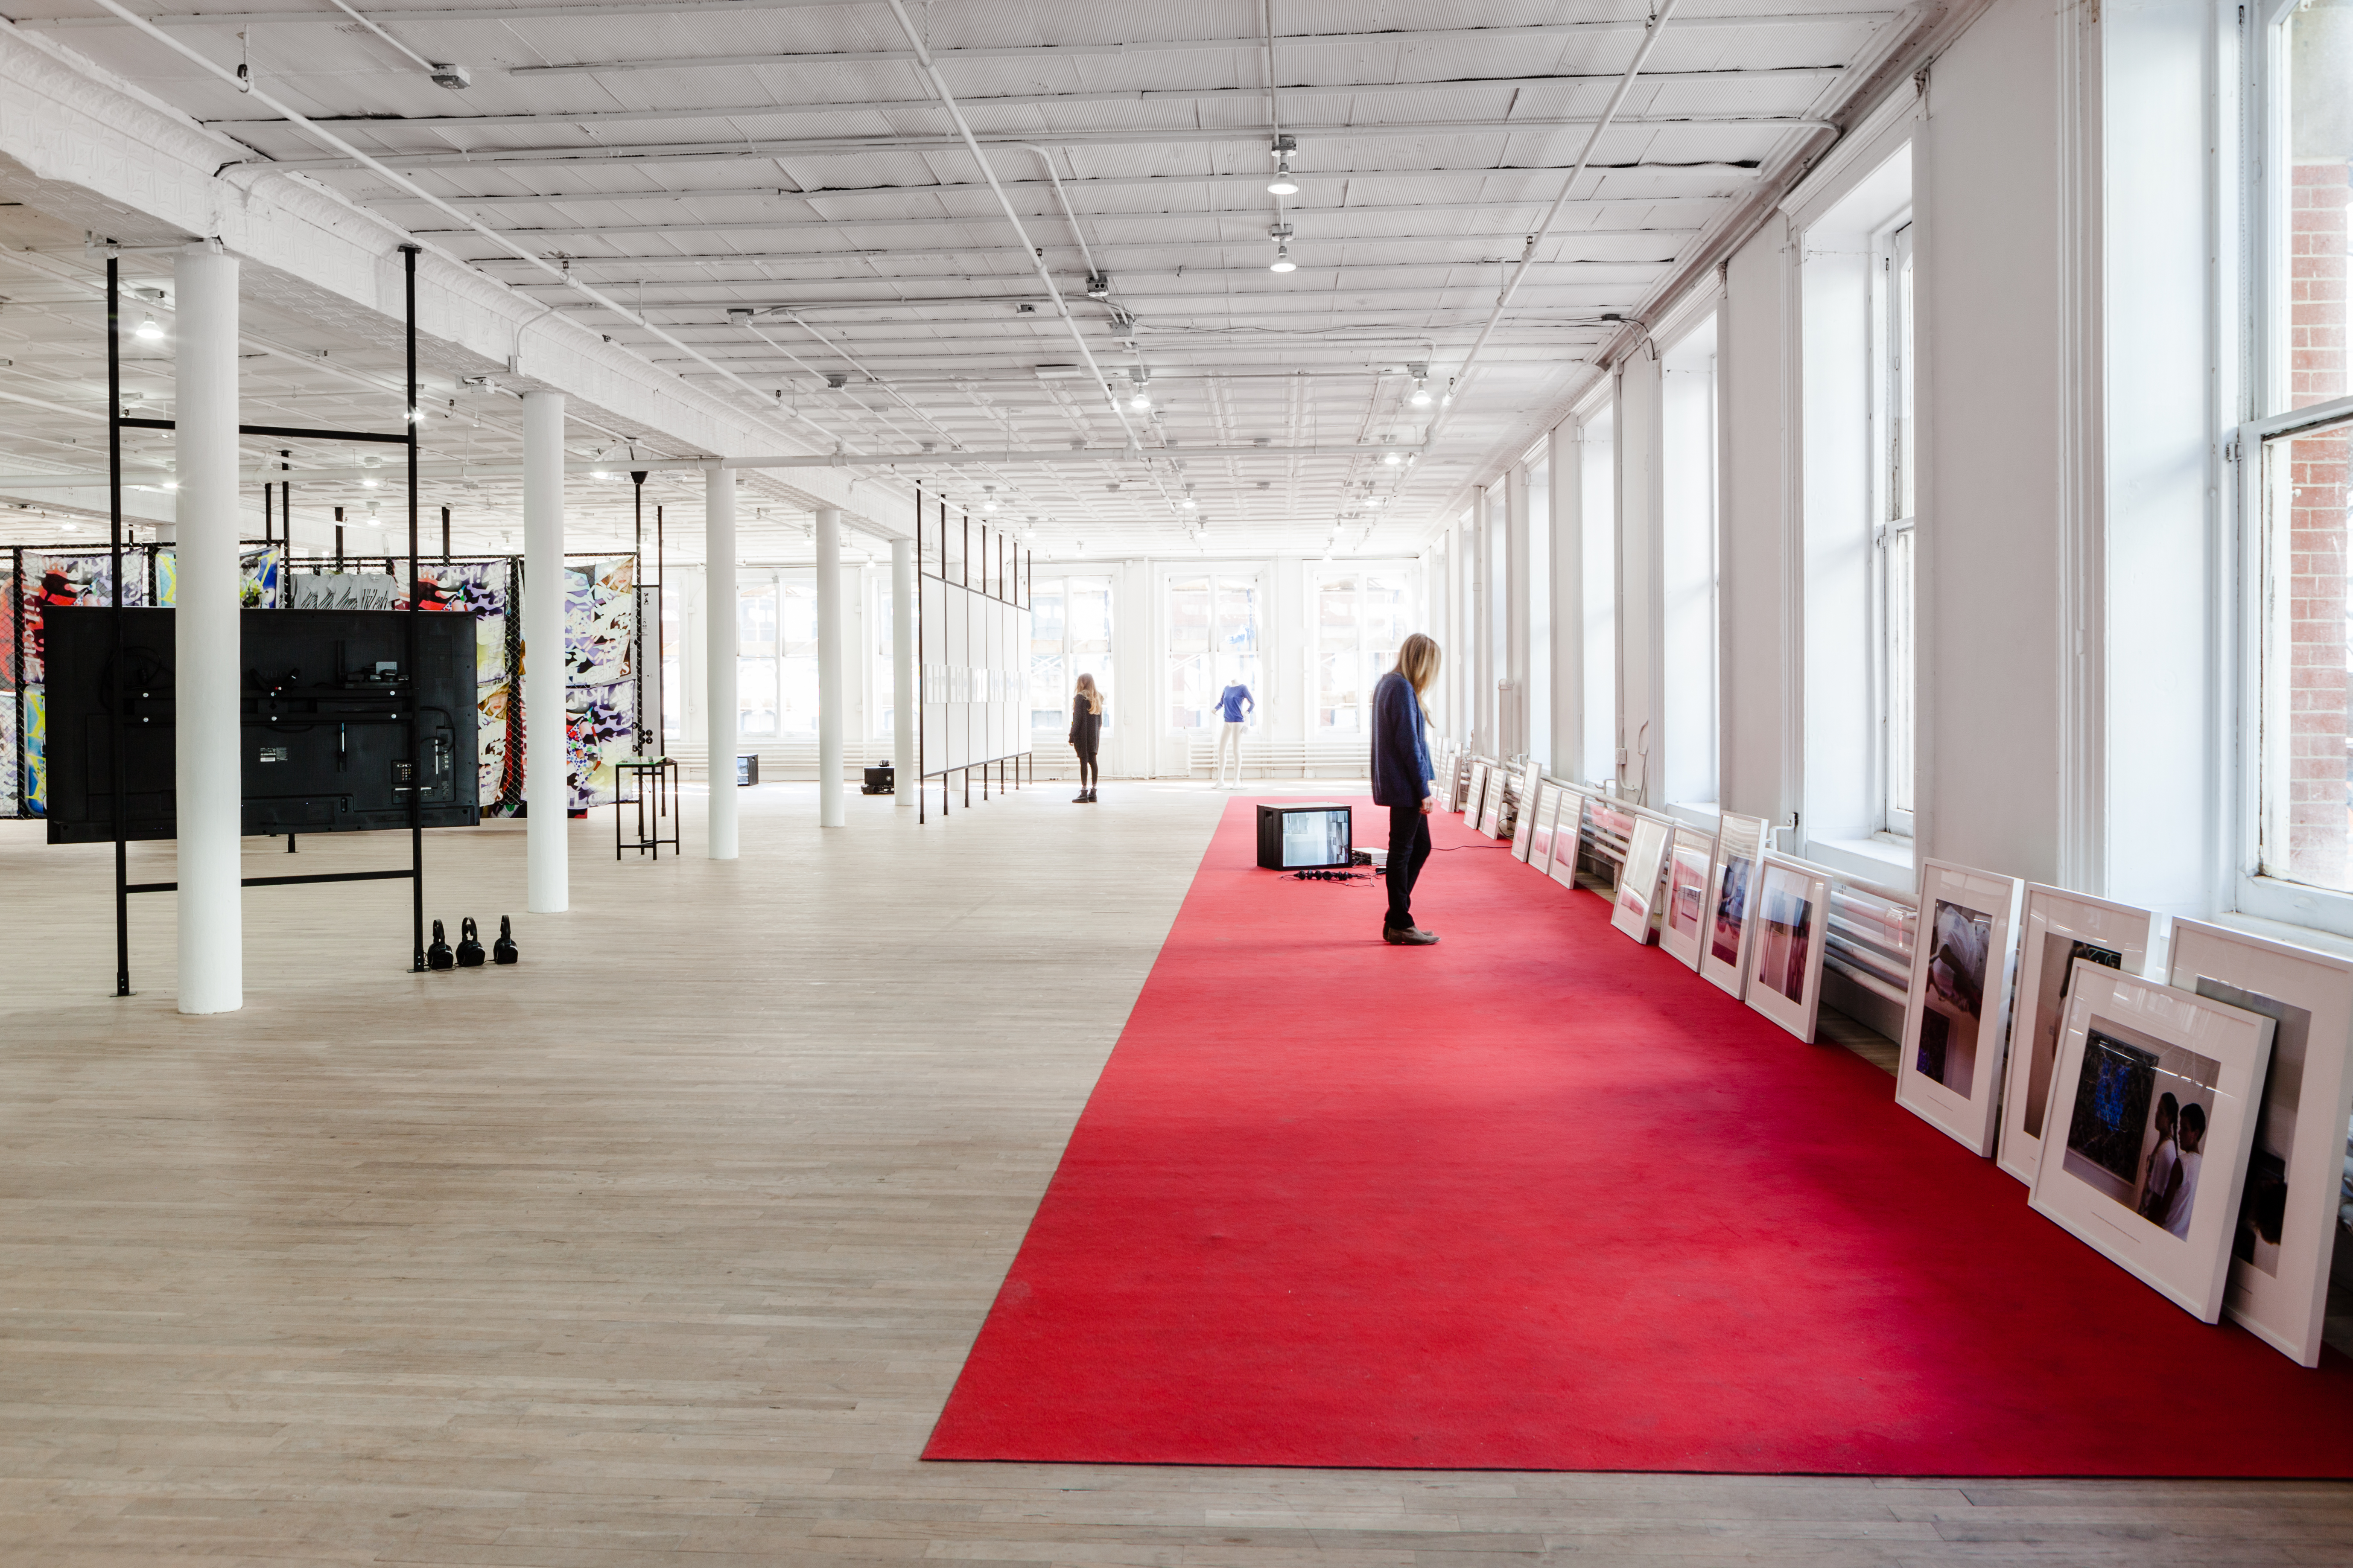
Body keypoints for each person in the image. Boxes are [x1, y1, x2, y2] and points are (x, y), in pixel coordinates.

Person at [1370, 632, 1441, 946]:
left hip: (1401, 783)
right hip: (1406, 785)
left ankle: (1396, 917)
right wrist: (1421, 787)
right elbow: (1408, 744)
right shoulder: (1400, 687)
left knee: (1420, 847)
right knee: (1402, 853)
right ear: (1422, 663)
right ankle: (1399, 922)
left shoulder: (1390, 682)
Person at [2163, 1102, 2205, 1240]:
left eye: (2185, 1129)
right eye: (2180, 1127)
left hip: (2167, 1235)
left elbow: (2164, 1209)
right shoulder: (2203, 1168)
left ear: (2196, 1134)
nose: (2179, 1133)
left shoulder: (2181, 1164)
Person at [2138, 1094, 2180, 1224]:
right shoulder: (2163, 1144)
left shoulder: (2167, 1149)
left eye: (2161, 1112)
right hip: (2145, 1208)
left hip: (2149, 1215)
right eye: (2157, 1110)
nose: (2157, 1115)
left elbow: (2160, 1194)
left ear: (2169, 1118)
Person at [1211, 680, 1254, 788]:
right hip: (1227, 721)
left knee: (1236, 750)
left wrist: (1247, 712)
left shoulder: (1243, 688)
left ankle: (1237, 781)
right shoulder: (1227, 688)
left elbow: (1252, 703)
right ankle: (1220, 781)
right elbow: (1222, 703)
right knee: (1221, 751)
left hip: (1238, 722)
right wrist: (1216, 709)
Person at [1069, 673, 1104, 804]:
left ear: (1082, 683)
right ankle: (1093, 793)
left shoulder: (1080, 697)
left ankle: (1084, 793)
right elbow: (1100, 722)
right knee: (1093, 761)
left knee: (1084, 761)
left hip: (1082, 735)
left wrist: (1072, 735)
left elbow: (1077, 719)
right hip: (1094, 735)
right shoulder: (1098, 697)